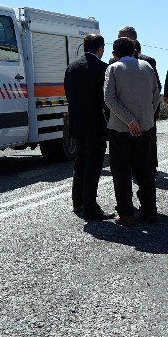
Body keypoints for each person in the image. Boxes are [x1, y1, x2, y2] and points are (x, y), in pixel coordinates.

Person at [104, 37, 161, 226]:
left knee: (121, 171)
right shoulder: (147, 67)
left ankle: (127, 214)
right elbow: (156, 96)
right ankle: (150, 211)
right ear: (135, 51)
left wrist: (129, 120)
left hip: (120, 129)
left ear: (114, 54)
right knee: (145, 170)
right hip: (145, 129)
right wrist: (144, 118)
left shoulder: (113, 68)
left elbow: (109, 99)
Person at [63, 33, 113, 221]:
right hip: (96, 124)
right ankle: (91, 207)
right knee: (93, 167)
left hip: (77, 123)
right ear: (100, 49)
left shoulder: (72, 67)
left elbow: (68, 94)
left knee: (80, 163)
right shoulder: (102, 68)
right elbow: (106, 100)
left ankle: (78, 203)